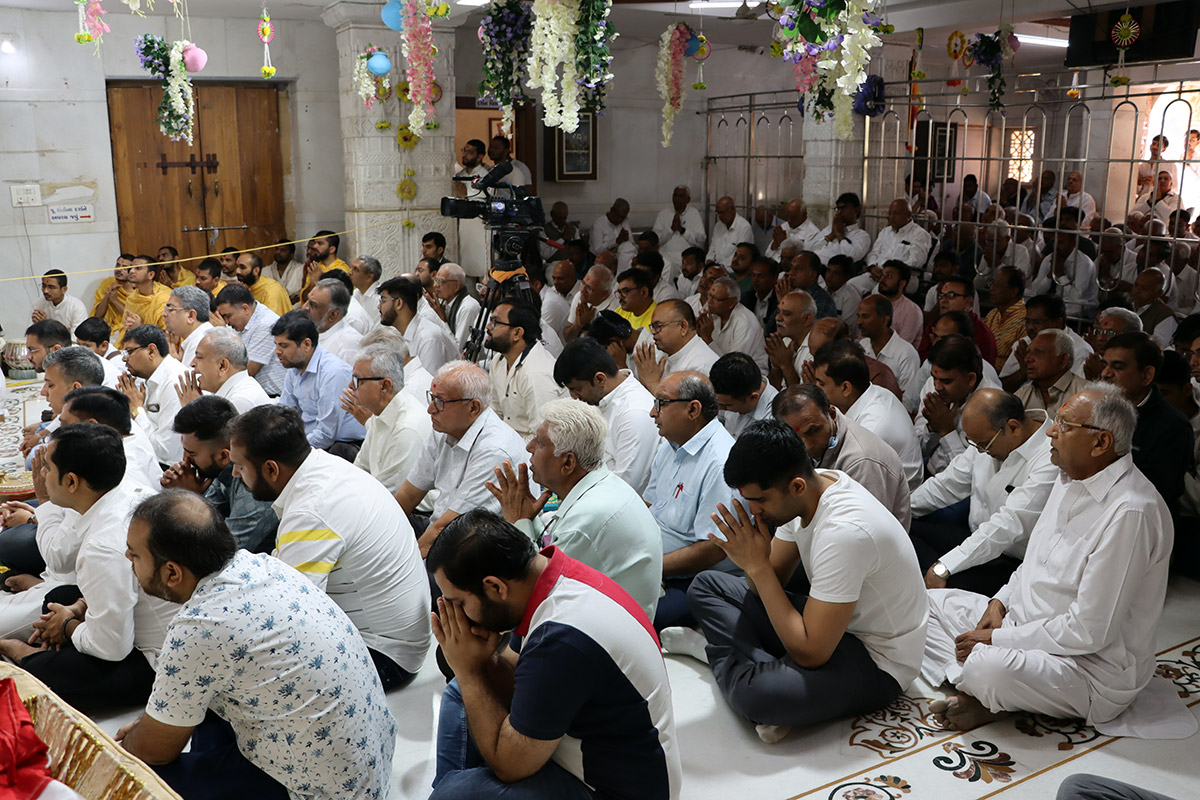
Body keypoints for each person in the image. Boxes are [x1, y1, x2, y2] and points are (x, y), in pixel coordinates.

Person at [922, 385, 1179, 736]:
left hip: (1085, 666)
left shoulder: (1131, 512)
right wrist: (1000, 601)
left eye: (1065, 426)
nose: (1049, 432)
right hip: (1019, 625)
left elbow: (1089, 632)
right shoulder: (1069, 475)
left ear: (1101, 443)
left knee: (988, 667)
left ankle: (981, 687)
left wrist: (998, 641)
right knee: (923, 604)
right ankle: (980, 690)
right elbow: (1033, 559)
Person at [117, 490, 396, 800]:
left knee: (136, 777)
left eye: (135, 554)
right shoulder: (264, 566)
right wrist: (155, 726)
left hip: (318, 792)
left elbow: (153, 752)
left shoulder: (200, 627)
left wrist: (139, 739)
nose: (128, 558)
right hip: (367, 769)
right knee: (197, 709)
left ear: (172, 572)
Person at [683, 420, 928, 742]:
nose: (754, 511)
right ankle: (766, 674)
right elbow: (765, 586)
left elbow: (811, 654)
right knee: (707, 585)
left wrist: (758, 568)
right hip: (833, 628)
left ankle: (719, 654)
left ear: (797, 486)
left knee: (758, 697)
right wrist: (755, 563)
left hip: (878, 659)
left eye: (760, 500)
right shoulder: (810, 491)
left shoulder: (845, 531)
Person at [427, 510, 681, 799]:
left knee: (456, 793)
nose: (458, 615)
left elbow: (510, 766)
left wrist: (469, 670)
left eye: (459, 603)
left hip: (614, 789)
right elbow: (513, 672)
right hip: (592, 753)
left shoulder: (559, 638)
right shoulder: (547, 578)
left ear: (495, 587)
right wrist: (479, 663)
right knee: (461, 692)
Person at [228, 405, 430, 688]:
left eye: (240, 466)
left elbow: (290, 617)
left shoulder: (311, 511)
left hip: (383, 656)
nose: (235, 474)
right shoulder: (323, 467)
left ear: (271, 469)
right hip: (398, 640)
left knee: (234, 675)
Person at [0, 425, 171, 711]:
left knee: (47, 673)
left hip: (157, 659)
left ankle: (22, 654)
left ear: (71, 482)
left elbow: (112, 648)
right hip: (138, 619)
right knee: (60, 596)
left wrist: (67, 625)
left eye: (47, 468)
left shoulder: (102, 546)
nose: (41, 475)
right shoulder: (125, 491)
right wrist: (76, 609)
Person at [485, 398, 663, 620]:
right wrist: (528, 519)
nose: (528, 448)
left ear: (568, 463)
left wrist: (518, 522)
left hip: (604, 630)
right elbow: (549, 551)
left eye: (539, 443)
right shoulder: (601, 485)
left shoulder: (588, 518)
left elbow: (535, 591)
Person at [910, 389, 1056, 595]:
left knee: (948, 587)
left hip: (1011, 558)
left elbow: (1006, 525)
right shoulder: (987, 437)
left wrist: (945, 567)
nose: (980, 451)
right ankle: (924, 581)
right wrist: (900, 510)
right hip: (973, 537)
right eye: (975, 444)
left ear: (1013, 427)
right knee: (905, 528)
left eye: (984, 445)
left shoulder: (1049, 458)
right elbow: (946, 484)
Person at [394, 360, 529, 555]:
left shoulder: (494, 450)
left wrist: (408, 564)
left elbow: (448, 528)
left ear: (473, 408)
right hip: (442, 533)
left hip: (480, 551)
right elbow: (408, 494)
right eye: (432, 398)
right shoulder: (443, 428)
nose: (430, 409)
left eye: (440, 402)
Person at [646, 371, 737, 630]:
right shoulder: (670, 445)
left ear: (693, 409)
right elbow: (650, 505)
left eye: (661, 403)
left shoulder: (720, 463)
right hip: (655, 560)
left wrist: (651, 566)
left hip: (698, 578)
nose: (652, 413)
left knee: (641, 616)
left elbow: (714, 549)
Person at [773, 385, 911, 528]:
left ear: (831, 414)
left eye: (813, 431)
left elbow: (862, 528)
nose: (807, 446)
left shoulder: (862, 461)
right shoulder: (803, 444)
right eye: (796, 437)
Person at [162, 396, 278, 553]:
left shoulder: (255, 491)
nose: (185, 460)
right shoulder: (220, 470)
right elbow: (210, 517)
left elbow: (217, 553)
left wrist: (188, 498)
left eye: (192, 454)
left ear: (224, 456)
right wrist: (192, 496)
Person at [1099, 332, 1193, 520]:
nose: (1105, 374)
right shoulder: (1096, 408)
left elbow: (1155, 493)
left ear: (1146, 375)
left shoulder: (1174, 426)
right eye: (1104, 365)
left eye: (1118, 367)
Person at [812, 340, 923, 489]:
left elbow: (848, 486)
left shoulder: (871, 430)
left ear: (845, 388)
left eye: (821, 383)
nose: (816, 389)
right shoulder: (875, 393)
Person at [553, 338, 657, 494]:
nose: (574, 397)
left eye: (576, 389)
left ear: (600, 379)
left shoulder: (635, 413)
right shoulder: (600, 398)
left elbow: (624, 487)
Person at [272, 310, 365, 455]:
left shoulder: (332, 372)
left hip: (342, 446)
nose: (277, 351)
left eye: (283, 346)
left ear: (306, 344)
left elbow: (326, 434)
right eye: (276, 344)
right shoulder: (294, 367)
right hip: (311, 439)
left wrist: (289, 450)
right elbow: (285, 412)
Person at [343, 343, 432, 494]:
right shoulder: (380, 413)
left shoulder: (406, 429)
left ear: (385, 386)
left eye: (358, 380)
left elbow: (387, 494)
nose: (351, 385)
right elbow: (360, 469)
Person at [482, 298, 567, 441]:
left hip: (531, 448)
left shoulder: (536, 374)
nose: (488, 327)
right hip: (507, 443)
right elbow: (495, 414)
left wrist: (506, 446)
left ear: (517, 333)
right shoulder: (498, 361)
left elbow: (544, 439)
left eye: (495, 322)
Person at [60, 386, 162, 491]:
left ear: (92, 426)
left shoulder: (118, 475)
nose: (58, 433)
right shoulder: (125, 434)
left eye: (64, 425)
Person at [914, 335, 988, 476]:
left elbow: (970, 476)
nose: (937, 387)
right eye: (934, 377)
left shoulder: (990, 407)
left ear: (970, 379)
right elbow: (916, 449)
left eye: (946, 381)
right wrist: (932, 428)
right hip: (929, 468)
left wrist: (946, 430)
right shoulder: (932, 386)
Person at [118, 325, 188, 465]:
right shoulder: (152, 377)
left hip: (169, 467)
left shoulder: (173, 383)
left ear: (151, 351)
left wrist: (137, 410)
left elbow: (164, 451)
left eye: (129, 352)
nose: (124, 359)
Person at [999, 294, 1093, 390]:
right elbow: (1001, 386)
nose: (1030, 327)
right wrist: (1022, 372)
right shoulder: (1024, 344)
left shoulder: (1079, 350)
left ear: (1058, 323)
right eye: (1028, 321)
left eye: (1037, 322)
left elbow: (1076, 391)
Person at [214, 283, 286, 397]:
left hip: (272, 397)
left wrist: (223, 333)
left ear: (245, 309)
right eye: (223, 317)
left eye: (228, 316)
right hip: (249, 392)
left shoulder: (266, 324)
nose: (226, 322)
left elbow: (247, 372)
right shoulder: (239, 322)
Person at [634, 299, 719, 394]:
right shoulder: (663, 354)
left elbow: (682, 404)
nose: (653, 332)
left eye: (658, 326)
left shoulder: (700, 367)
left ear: (683, 327)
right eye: (652, 327)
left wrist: (652, 383)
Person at [378, 275, 458, 374]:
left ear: (399, 303)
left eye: (383, 300)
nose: (379, 306)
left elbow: (428, 381)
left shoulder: (428, 338)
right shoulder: (398, 333)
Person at [857, 295, 920, 408]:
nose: (859, 322)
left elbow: (908, 401)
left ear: (885, 319)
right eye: (858, 316)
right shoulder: (863, 345)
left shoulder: (906, 353)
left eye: (865, 316)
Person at [1014, 329, 1090, 418]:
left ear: (1063, 360)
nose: (1027, 358)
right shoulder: (1021, 395)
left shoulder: (1087, 395)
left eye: (1038, 352)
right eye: (1028, 352)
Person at [698, 276, 768, 374]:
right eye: (709, 295)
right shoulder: (713, 313)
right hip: (717, 371)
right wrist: (697, 332)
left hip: (747, 376)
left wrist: (707, 339)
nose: (709, 301)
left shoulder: (745, 323)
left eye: (716, 299)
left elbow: (734, 366)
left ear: (731, 302)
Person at [710, 351, 778, 438]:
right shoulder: (728, 396)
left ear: (753, 398)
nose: (719, 408)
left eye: (726, 406)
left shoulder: (773, 421)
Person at [300, 277, 362, 363]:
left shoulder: (347, 346)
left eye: (313, 305)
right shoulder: (314, 330)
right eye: (307, 301)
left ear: (333, 315)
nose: (305, 307)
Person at [427, 262, 481, 352]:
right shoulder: (442, 302)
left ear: (456, 286)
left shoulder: (468, 307)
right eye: (435, 280)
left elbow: (458, 349)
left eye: (441, 281)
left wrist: (443, 320)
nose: (435, 285)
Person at [865, 199, 932, 272]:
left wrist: (889, 271)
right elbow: (873, 253)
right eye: (890, 213)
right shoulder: (885, 231)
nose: (891, 217)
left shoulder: (920, 234)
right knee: (856, 279)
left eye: (896, 213)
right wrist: (872, 266)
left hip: (900, 276)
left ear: (908, 215)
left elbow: (916, 262)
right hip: (877, 272)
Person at [654, 185, 707, 273]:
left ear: (688, 199)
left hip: (687, 258)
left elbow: (701, 239)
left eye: (681, 196)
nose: (677, 199)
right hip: (666, 257)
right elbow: (656, 240)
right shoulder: (663, 213)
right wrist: (671, 230)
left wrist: (682, 230)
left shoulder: (694, 213)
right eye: (675, 195)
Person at [161, 285, 213, 371]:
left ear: (191, 316)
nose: (163, 314)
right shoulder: (198, 337)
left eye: (170, 309)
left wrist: (173, 363)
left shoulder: (204, 341)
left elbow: (192, 379)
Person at [984, 266, 1027, 369]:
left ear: (1014, 291)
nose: (992, 288)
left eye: (998, 285)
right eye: (992, 283)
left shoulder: (1026, 318)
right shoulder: (992, 314)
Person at [563, 265, 618, 342]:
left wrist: (586, 326)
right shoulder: (579, 296)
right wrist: (577, 324)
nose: (582, 290)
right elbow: (567, 338)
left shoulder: (616, 309)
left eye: (589, 288)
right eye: (583, 283)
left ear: (604, 294)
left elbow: (601, 346)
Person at [814, 192, 872, 265]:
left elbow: (852, 257)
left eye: (844, 208)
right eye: (838, 208)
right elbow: (810, 247)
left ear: (856, 210)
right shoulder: (830, 229)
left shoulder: (862, 235)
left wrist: (840, 235)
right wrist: (831, 235)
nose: (839, 212)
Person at [876, 261, 923, 348]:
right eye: (882, 275)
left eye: (889, 276)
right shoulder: (873, 302)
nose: (882, 280)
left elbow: (901, 348)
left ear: (902, 284)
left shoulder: (912, 311)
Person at [1130, 268, 1178, 348]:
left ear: (1158, 293)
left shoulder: (1165, 316)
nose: (1137, 290)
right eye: (1136, 285)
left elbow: (1158, 347)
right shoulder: (1124, 305)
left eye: (1144, 288)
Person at [235, 252, 292, 317]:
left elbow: (270, 320)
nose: (237, 271)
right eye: (236, 267)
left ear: (256, 271)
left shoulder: (272, 290)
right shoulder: (245, 286)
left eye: (242, 267)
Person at [32, 269, 87, 333]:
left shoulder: (76, 307)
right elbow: (31, 333)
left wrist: (46, 325)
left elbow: (76, 338)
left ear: (64, 289)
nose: (45, 291)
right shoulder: (40, 303)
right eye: (43, 286)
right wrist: (39, 326)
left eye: (51, 287)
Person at [707, 196, 755, 268]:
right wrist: (709, 261)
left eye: (722, 212)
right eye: (718, 213)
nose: (720, 216)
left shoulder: (744, 227)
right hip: (716, 267)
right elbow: (712, 248)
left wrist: (720, 267)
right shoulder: (718, 226)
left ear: (732, 209)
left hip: (734, 269)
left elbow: (741, 256)